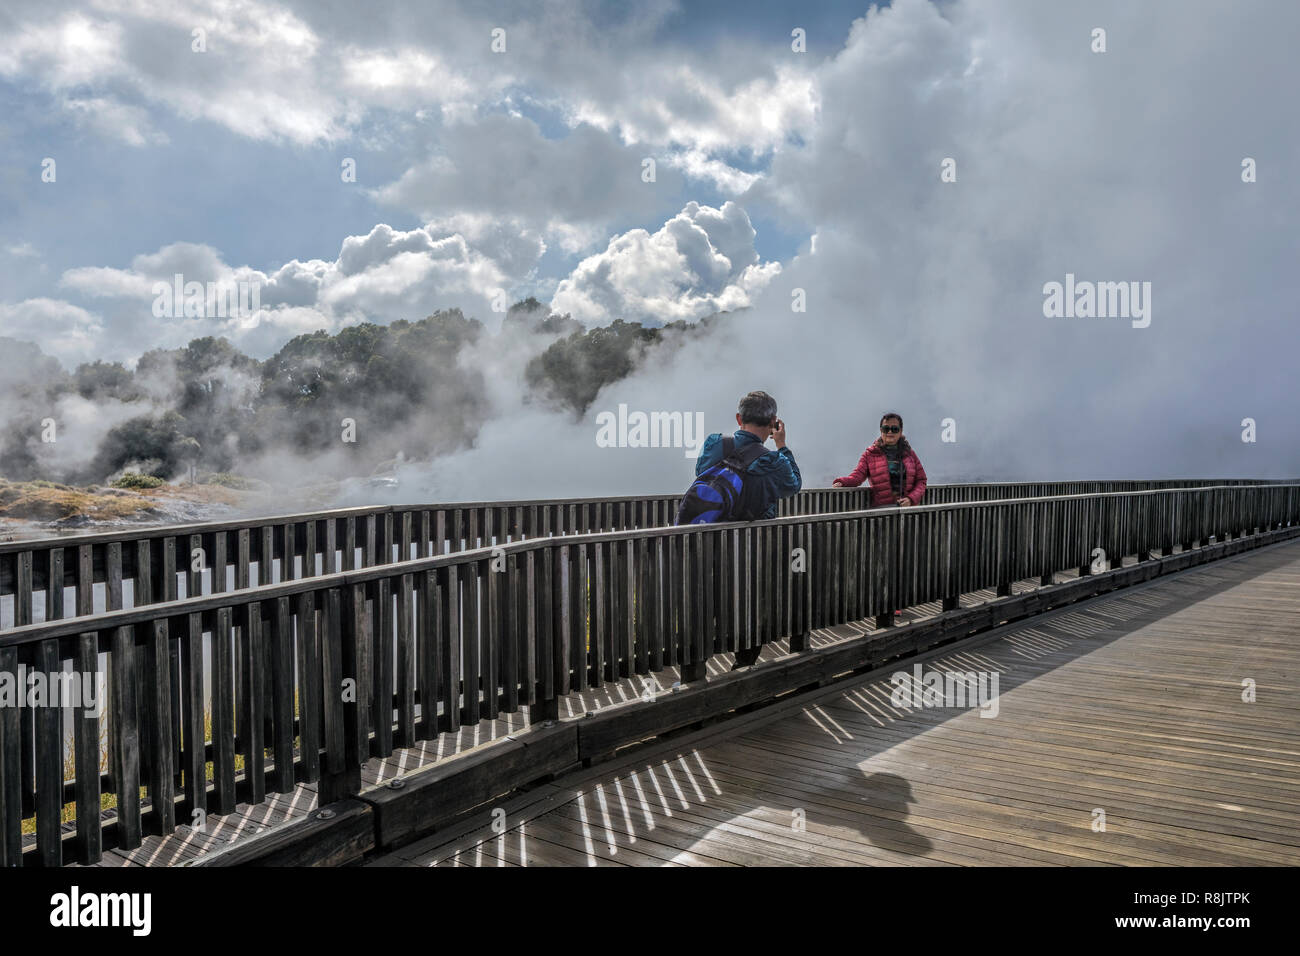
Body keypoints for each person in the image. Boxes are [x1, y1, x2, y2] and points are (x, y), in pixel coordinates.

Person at [683, 390, 801, 668]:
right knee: (752, 605)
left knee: (706, 603)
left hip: (709, 542)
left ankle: (695, 669)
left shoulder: (716, 444)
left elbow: (701, 473)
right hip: (753, 546)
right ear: (773, 423)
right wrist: (782, 445)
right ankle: (743, 666)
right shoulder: (774, 461)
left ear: (739, 418)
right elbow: (793, 485)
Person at [832, 412, 927, 507]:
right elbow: (857, 476)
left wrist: (911, 499)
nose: (890, 432)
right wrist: (842, 482)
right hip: (882, 513)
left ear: (901, 431)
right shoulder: (870, 454)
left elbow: (921, 481)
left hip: (908, 513)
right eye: (886, 429)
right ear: (881, 431)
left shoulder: (910, 454)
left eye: (894, 429)